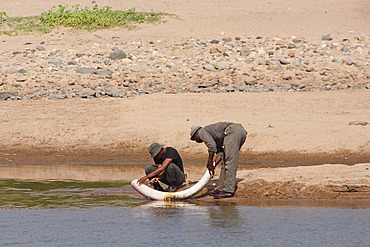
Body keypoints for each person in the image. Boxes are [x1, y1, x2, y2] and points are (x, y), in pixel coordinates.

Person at [190, 122, 247, 199]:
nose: (197, 141)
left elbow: (212, 147)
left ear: (196, 134)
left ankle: (229, 191)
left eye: (195, 139)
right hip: (235, 132)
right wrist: (213, 166)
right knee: (224, 162)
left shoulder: (201, 132)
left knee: (230, 162)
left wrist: (209, 162)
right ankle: (221, 188)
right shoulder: (214, 135)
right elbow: (220, 154)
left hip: (233, 132)